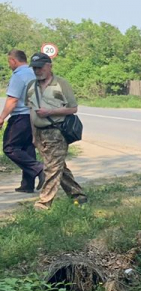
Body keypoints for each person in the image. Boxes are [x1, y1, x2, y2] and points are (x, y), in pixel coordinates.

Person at [25, 52, 85, 209]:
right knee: (57, 166)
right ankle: (78, 194)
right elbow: (31, 111)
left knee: (51, 167)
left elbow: (73, 109)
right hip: (39, 132)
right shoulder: (31, 85)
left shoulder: (61, 84)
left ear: (49, 67)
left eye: (40, 68)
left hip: (56, 131)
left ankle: (44, 202)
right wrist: (33, 136)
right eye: (35, 68)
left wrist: (50, 112)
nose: (37, 71)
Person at [1, 49, 44, 193]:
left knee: (10, 147)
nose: (9, 65)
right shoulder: (33, 73)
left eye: (9, 61)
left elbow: (13, 99)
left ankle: (39, 168)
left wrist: (2, 118)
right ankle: (27, 184)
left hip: (21, 116)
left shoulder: (18, 76)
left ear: (13, 60)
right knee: (27, 147)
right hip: (34, 115)